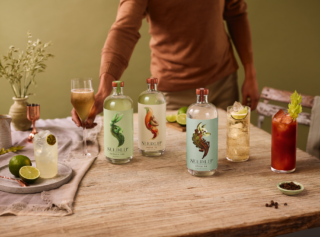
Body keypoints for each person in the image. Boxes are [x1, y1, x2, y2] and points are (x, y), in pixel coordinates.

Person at [72, 0, 259, 128]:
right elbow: (123, 29)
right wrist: (104, 89)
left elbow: (236, 13)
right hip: (174, 93)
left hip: (223, 83)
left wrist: (250, 73)